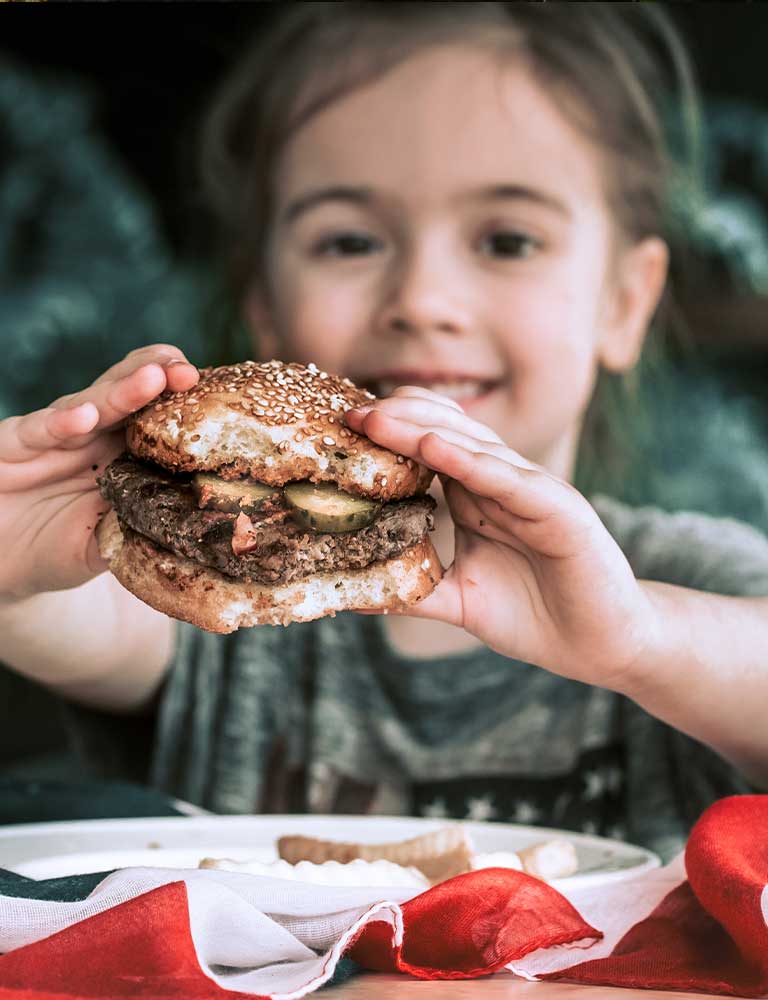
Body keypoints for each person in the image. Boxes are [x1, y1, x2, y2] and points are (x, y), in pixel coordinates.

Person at [2, 2, 768, 862]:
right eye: (351, 240)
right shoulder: (211, 587)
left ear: (624, 303)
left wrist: (640, 639)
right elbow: (55, 608)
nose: (422, 300)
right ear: (264, 307)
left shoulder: (688, 582)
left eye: (508, 240)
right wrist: (16, 554)